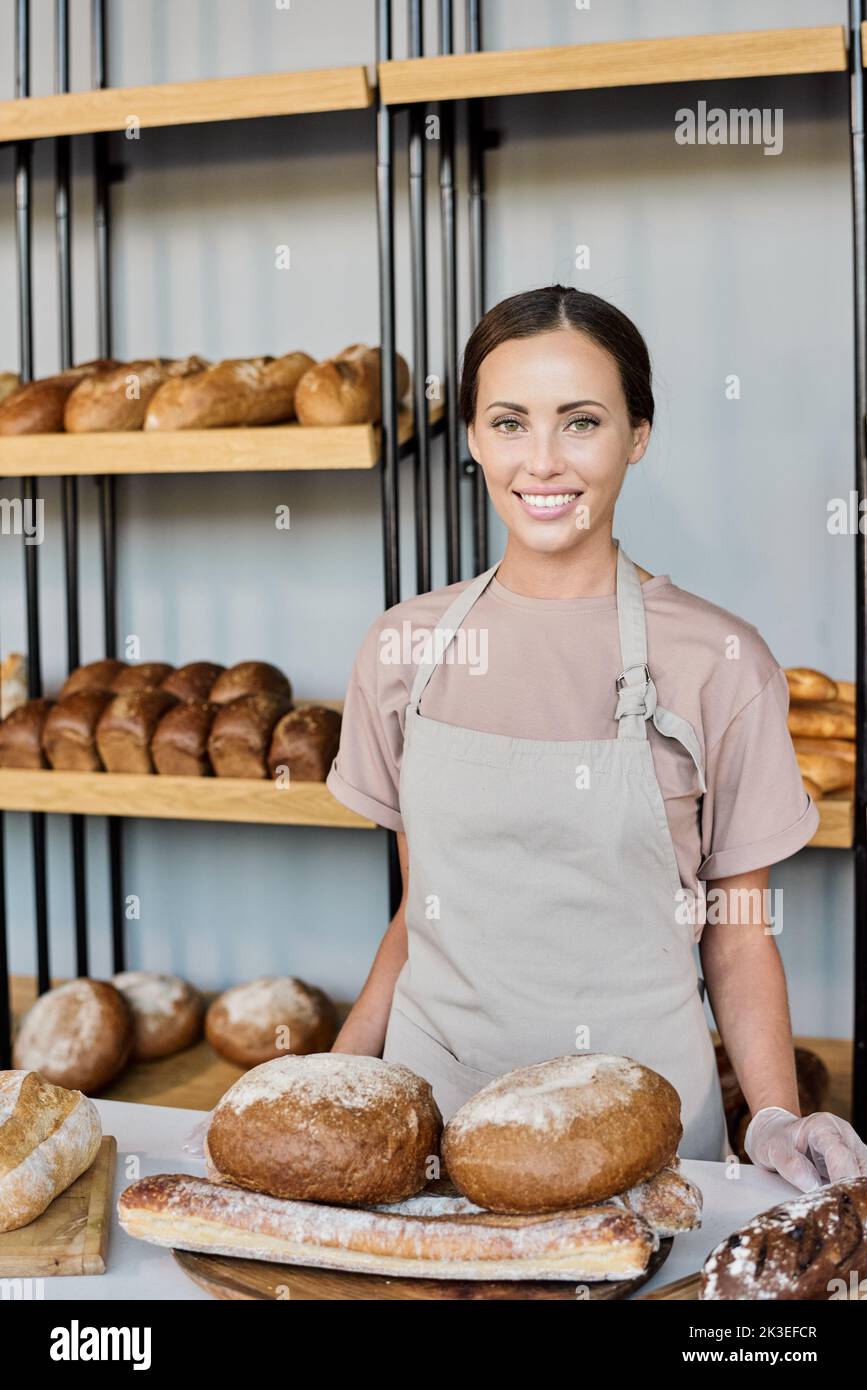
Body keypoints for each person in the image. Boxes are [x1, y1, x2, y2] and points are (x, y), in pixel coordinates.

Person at [326, 284, 867, 1187]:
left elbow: (736, 930)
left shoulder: (720, 658)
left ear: (637, 435)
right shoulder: (403, 648)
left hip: (640, 1145)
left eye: (580, 422)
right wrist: (338, 1075)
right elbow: (422, 911)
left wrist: (771, 1114)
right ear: (469, 437)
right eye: (507, 422)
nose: (542, 462)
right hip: (428, 1136)